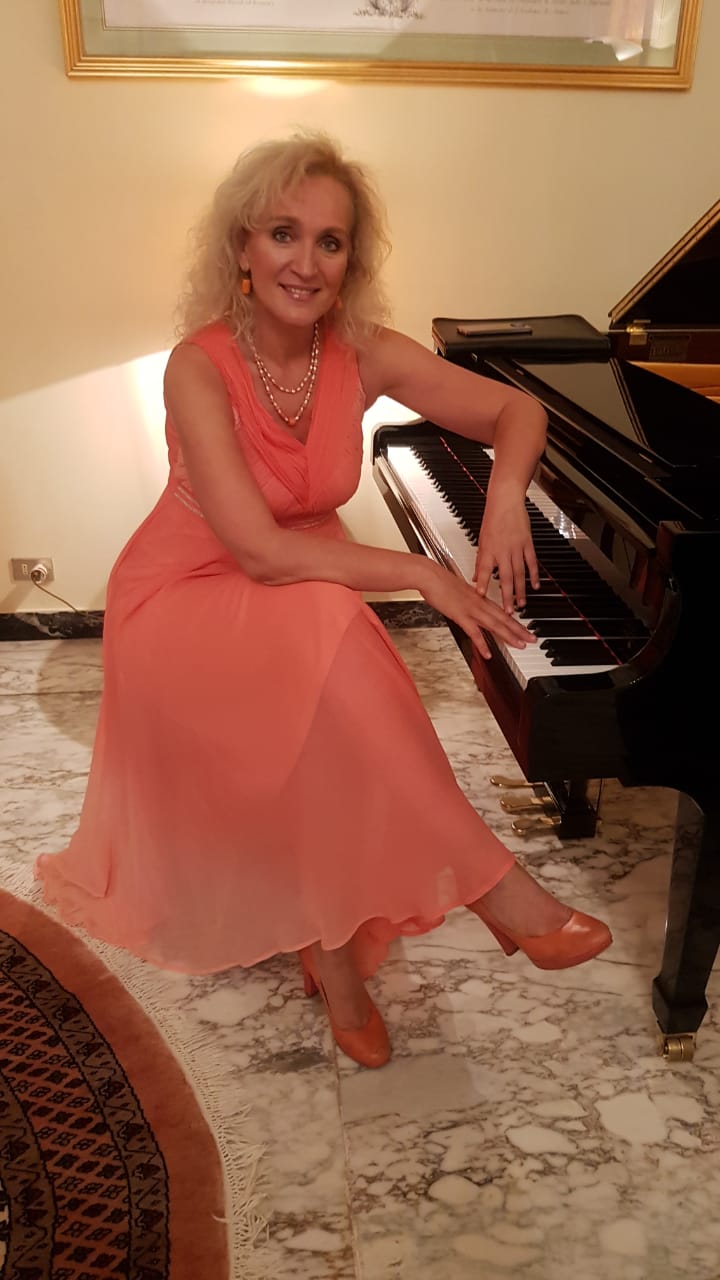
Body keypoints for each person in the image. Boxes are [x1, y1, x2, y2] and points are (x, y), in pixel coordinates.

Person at [35, 130, 611, 1070]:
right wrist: (426, 574)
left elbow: (518, 410)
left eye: (330, 241)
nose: (306, 262)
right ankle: (495, 890)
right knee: (332, 622)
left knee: (328, 685)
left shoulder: (360, 353)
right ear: (242, 247)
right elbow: (259, 551)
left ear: (352, 261)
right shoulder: (196, 366)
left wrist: (506, 493)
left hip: (298, 590)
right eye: (283, 234)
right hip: (186, 596)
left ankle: (337, 956)